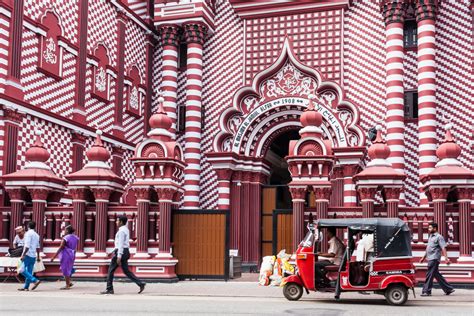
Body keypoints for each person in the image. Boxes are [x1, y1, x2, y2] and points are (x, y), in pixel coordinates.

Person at [100, 215, 146, 295]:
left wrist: (119, 256)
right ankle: (140, 283)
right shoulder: (126, 229)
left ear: (121, 222)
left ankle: (109, 288)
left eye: (117, 221)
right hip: (125, 251)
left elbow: (120, 244)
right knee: (126, 271)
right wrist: (112, 251)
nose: (116, 222)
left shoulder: (121, 231)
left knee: (110, 270)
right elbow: (122, 244)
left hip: (121, 252)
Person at [420, 222, 455, 296]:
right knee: (436, 274)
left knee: (429, 274)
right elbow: (428, 248)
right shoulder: (430, 237)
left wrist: (446, 259)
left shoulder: (439, 237)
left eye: (430, 228)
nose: (428, 229)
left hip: (434, 258)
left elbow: (443, 248)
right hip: (430, 258)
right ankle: (448, 289)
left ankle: (426, 291)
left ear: (435, 228)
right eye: (428, 228)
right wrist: (423, 257)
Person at [50, 225, 79, 290]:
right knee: (69, 268)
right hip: (72, 253)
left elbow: (61, 247)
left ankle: (67, 285)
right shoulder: (75, 237)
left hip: (66, 254)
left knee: (65, 269)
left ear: (68, 231)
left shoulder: (66, 237)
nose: (64, 231)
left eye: (65, 230)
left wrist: (53, 256)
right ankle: (69, 282)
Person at [19, 221, 41, 291]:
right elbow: (38, 247)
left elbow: (27, 246)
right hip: (33, 255)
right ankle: (26, 287)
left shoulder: (28, 234)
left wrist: (23, 255)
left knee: (21, 270)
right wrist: (38, 256)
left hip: (27, 255)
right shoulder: (37, 235)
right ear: (35, 226)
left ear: (28, 226)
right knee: (29, 271)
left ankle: (35, 280)